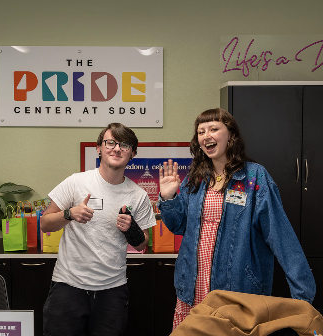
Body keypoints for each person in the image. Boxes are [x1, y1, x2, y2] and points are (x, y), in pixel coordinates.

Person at [158, 108, 316, 330]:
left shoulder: (254, 177)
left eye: (214, 129)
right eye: (201, 131)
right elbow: (178, 226)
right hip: (193, 287)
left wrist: (303, 296)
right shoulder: (196, 177)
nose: (206, 135)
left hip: (237, 291)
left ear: (231, 135)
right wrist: (169, 198)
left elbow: (281, 236)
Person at [41, 123, 156, 336]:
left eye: (124, 145)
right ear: (99, 149)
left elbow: (143, 244)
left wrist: (131, 230)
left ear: (132, 153)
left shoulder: (138, 194)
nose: (116, 148)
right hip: (68, 285)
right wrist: (69, 214)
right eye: (110, 142)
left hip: (112, 290)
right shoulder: (76, 182)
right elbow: (45, 223)